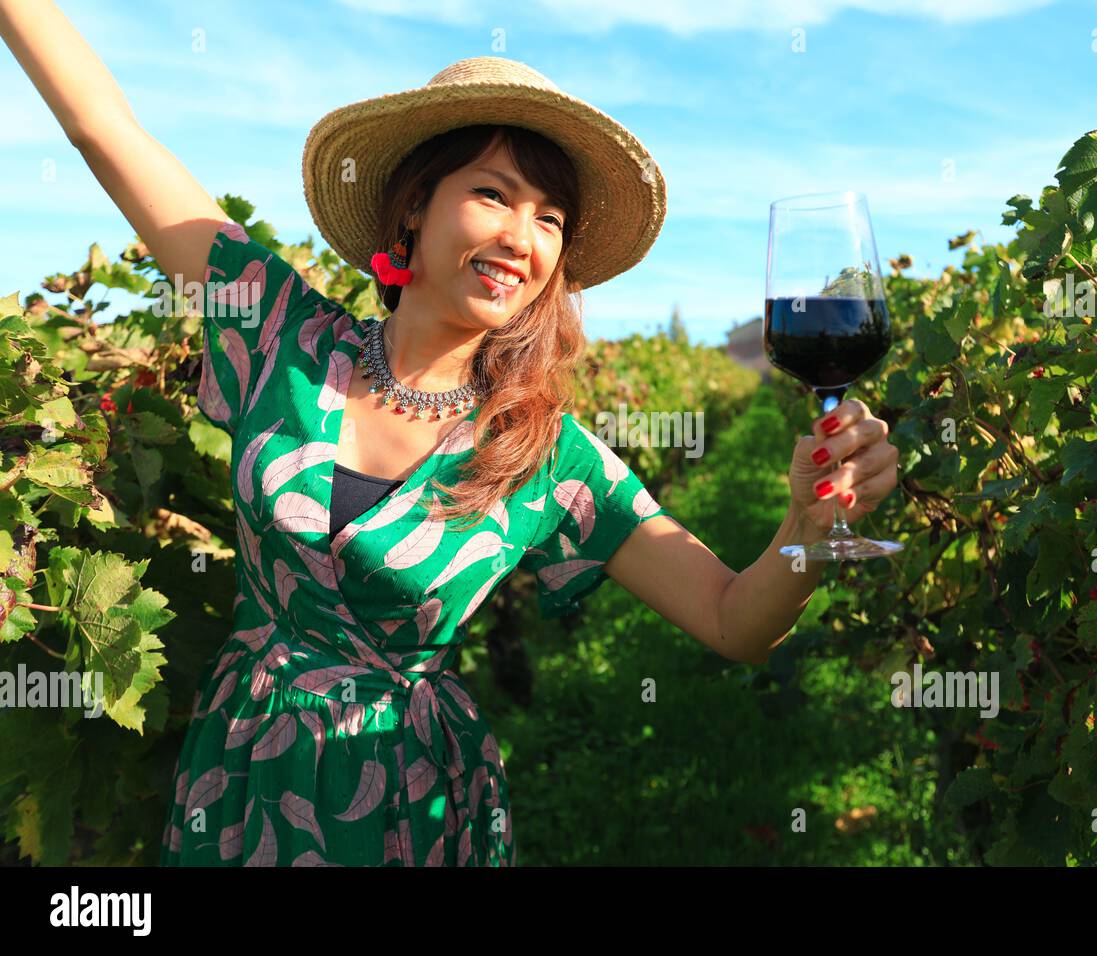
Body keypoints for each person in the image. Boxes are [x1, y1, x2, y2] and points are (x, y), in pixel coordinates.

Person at [1, 2, 901, 866]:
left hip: (402, 795)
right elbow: (104, 131)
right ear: (412, 211)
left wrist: (807, 536)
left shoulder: (545, 453)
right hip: (243, 765)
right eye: (493, 195)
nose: (524, 236)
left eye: (550, 218)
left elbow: (731, 619)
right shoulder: (280, 331)